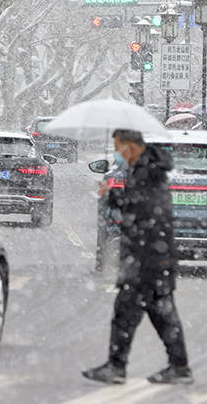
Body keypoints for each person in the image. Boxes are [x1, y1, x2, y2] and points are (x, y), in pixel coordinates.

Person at [83, 129, 192, 386]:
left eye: (119, 147)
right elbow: (140, 206)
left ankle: (118, 366)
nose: (118, 154)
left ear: (131, 146)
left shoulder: (148, 172)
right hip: (150, 256)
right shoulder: (146, 168)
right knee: (160, 314)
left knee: (129, 312)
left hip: (147, 258)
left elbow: (145, 209)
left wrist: (110, 196)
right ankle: (177, 367)